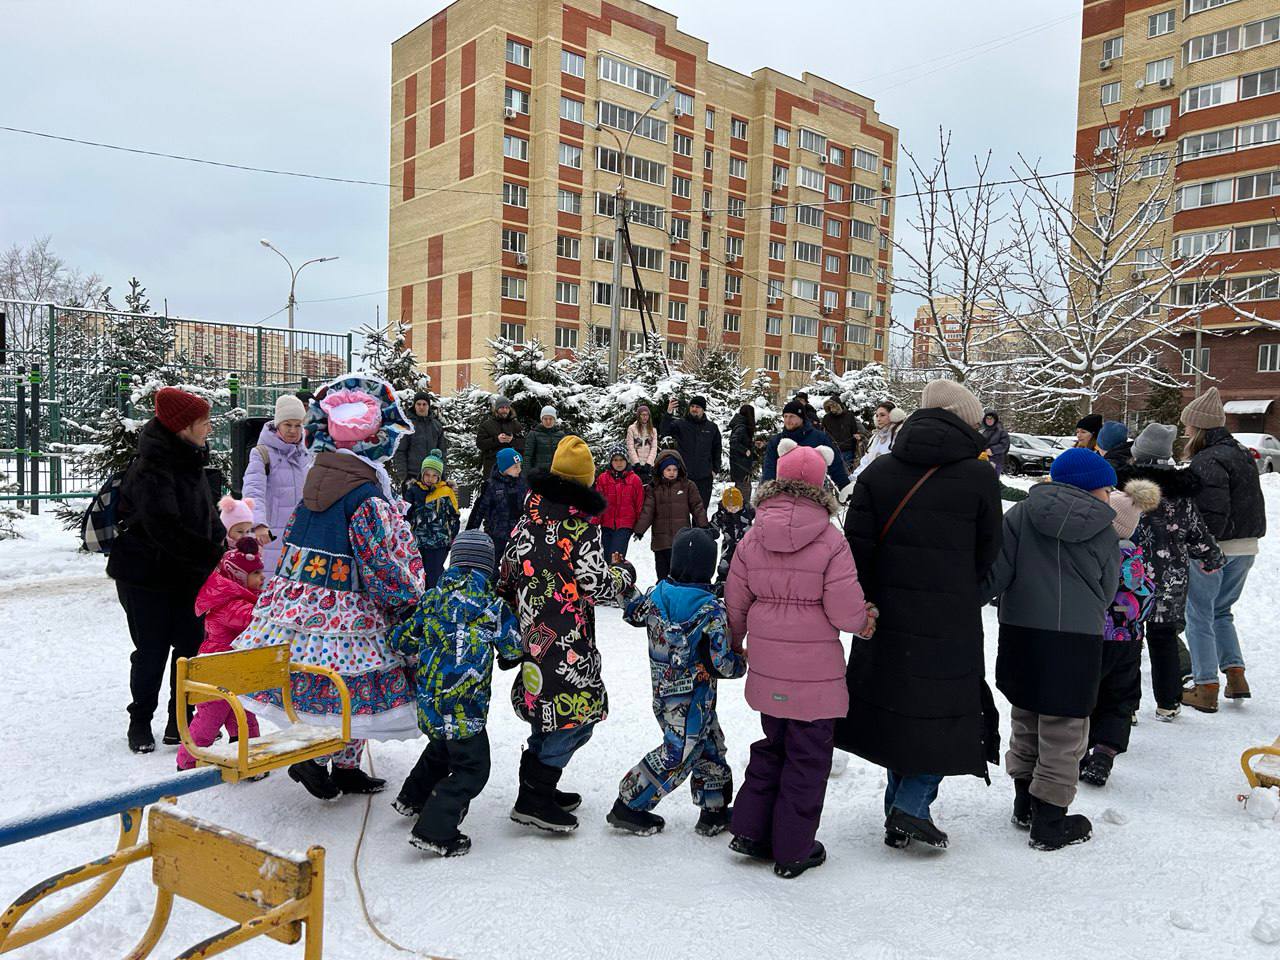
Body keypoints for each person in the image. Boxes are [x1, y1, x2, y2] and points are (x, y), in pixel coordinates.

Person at [234, 374, 424, 801]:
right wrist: (408, 600)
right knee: (347, 687)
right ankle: (313, 757)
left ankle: (345, 764)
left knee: (334, 686)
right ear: (374, 443)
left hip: (305, 608)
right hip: (348, 611)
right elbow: (381, 562)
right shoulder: (364, 497)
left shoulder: (316, 482)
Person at [838, 380, 1002, 850]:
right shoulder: (978, 477)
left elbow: (857, 549)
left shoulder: (879, 472)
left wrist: (867, 601)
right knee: (945, 710)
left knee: (898, 706)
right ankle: (910, 805)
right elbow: (989, 552)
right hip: (948, 615)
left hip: (885, 612)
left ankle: (901, 808)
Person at [725, 440, 871, 879]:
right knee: (808, 755)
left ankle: (750, 831)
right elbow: (845, 612)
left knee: (772, 744)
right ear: (820, 482)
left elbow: (735, 598)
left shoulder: (754, 534)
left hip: (769, 663)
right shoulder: (830, 538)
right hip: (815, 672)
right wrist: (866, 621)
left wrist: (735, 643)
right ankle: (793, 846)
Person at [984, 447, 1120, 851]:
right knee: (1065, 731)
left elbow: (998, 574)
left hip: (1021, 631)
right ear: (1090, 488)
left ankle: (1024, 802)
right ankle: (1050, 821)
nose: (1110, 495)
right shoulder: (1105, 528)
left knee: (1026, 716)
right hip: (1075, 639)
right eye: (1106, 488)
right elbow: (1108, 588)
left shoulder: (1020, 515)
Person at [499, 436, 636, 833]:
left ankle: (537, 784)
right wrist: (624, 574)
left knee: (546, 708)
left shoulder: (528, 518)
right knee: (576, 718)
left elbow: (506, 574)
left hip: (534, 636)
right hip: (566, 640)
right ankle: (536, 794)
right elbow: (596, 583)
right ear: (586, 481)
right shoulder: (580, 528)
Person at [388, 531, 524, 857]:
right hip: (465, 708)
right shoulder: (492, 607)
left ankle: (413, 798)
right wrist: (509, 656)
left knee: (442, 748)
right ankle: (435, 829)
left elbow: (402, 640)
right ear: (487, 569)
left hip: (431, 704)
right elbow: (513, 647)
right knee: (473, 768)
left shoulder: (431, 599)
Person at [108, 386, 226, 754]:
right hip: (146, 577)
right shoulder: (151, 467)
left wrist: (222, 539)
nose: (209, 429)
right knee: (151, 651)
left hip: (187, 575)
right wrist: (213, 555)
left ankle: (181, 723)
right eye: (204, 423)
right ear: (183, 427)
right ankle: (140, 722)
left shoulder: (190, 457)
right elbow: (166, 530)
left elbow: (206, 514)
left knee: (190, 650)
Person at [609, 527, 745, 837]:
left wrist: (623, 574)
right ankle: (628, 804)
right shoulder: (711, 611)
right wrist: (742, 661)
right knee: (678, 751)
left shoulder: (658, 596)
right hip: (694, 697)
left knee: (709, 743)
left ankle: (714, 810)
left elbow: (632, 610)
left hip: (665, 692)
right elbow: (721, 664)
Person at [1116, 423, 1223, 720]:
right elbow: (1198, 535)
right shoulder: (1182, 496)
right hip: (1170, 581)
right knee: (1164, 641)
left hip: (1130, 580)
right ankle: (1169, 702)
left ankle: (1126, 707)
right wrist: (1212, 558)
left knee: (1129, 644)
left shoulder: (1123, 490)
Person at [1180, 387, 1266, 711]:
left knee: (1198, 613)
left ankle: (1205, 687)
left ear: (1199, 428)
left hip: (1216, 549)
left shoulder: (1207, 460)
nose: (1185, 432)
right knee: (1221, 611)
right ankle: (1235, 675)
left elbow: (1212, 513)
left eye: (1188, 426)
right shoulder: (1241, 453)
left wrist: (1201, 547)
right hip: (1245, 548)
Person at [1078, 479, 1161, 788]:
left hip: (1094, 639)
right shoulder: (1138, 561)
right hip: (1128, 643)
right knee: (1119, 699)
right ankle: (1104, 754)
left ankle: (1076, 751)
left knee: (1086, 694)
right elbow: (1149, 598)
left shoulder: (1096, 554)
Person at [175, 537, 266, 772]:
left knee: (243, 716)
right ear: (238, 576)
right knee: (209, 720)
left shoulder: (241, 599)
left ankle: (246, 758)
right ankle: (187, 764)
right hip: (216, 669)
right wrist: (273, 606)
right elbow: (252, 619)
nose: (262, 577)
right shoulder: (230, 604)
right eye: (255, 573)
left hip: (234, 669)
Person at [242, 394, 310, 575]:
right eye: (288, 424)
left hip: (303, 532)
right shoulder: (262, 453)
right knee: (270, 584)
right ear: (278, 424)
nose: (293, 430)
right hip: (271, 533)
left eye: (298, 425)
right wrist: (259, 523)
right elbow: (253, 490)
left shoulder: (307, 453)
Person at [633, 449, 710, 581]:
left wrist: (703, 525)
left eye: (674, 469)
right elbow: (648, 510)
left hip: (682, 539)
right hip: (661, 541)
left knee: (681, 574)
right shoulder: (654, 488)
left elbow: (697, 506)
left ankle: (681, 596)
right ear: (661, 470)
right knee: (663, 575)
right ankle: (663, 596)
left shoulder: (688, 486)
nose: (672, 473)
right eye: (668, 469)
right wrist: (639, 530)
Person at [760, 400, 853, 497]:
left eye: (792, 416)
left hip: (812, 495)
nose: (788, 420)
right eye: (785, 416)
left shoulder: (819, 438)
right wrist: (766, 494)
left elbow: (835, 466)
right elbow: (769, 469)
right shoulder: (777, 441)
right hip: (784, 496)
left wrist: (845, 488)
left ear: (801, 418)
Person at [405, 450, 460, 588]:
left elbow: (454, 516)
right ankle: (419, 599)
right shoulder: (413, 490)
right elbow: (405, 514)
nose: (430, 478)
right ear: (422, 474)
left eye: (435, 475)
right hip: (418, 541)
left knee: (434, 573)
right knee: (418, 572)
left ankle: (434, 599)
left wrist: (452, 537)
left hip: (439, 542)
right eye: (427, 474)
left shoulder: (446, 492)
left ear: (440, 476)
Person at [661, 394, 722, 508]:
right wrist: (669, 413)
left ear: (703, 410)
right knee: (681, 512)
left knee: (700, 512)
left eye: (697, 407)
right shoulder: (681, 424)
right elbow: (664, 431)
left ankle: (699, 527)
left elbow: (717, 449)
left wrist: (715, 469)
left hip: (704, 477)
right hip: (684, 476)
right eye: (692, 406)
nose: (694, 409)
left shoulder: (711, 427)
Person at [466, 447, 527, 560]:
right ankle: (492, 578)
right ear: (504, 468)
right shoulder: (491, 485)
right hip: (496, 533)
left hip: (518, 532)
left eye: (520, 466)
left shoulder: (522, 482)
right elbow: (479, 509)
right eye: (515, 467)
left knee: (518, 561)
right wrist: (470, 530)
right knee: (492, 560)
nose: (519, 469)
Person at [594, 445, 645, 561]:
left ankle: (617, 577)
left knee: (616, 555)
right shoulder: (603, 479)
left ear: (626, 461)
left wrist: (639, 527)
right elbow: (598, 502)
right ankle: (608, 578)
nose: (619, 463)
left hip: (625, 525)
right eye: (615, 460)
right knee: (606, 556)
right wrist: (594, 522)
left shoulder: (635, 480)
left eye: (621, 459)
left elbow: (639, 504)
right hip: (607, 524)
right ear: (611, 462)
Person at [393, 390, 450, 485]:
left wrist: (442, 474)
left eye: (424, 404)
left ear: (428, 406)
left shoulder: (436, 426)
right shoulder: (407, 426)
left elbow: (442, 452)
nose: (421, 407)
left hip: (432, 477)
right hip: (412, 478)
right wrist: (404, 477)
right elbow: (400, 451)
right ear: (414, 405)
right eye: (418, 404)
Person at [711, 487, 755, 585]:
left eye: (735, 507)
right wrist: (710, 534)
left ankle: (747, 582)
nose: (732, 509)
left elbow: (759, 520)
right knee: (725, 563)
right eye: (729, 507)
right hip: (729, 545)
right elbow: (713, 527)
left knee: (747, 564)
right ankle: (721, 582)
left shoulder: (748, 512)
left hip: (746, 545)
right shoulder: (720, 515)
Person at [476, 395, 525, 478]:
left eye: (507, 408)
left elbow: (524, 444)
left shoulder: (516, 425)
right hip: (493, 467)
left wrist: (512, 440)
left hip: (513, 468)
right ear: (497, 409)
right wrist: (497, 440)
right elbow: (480, 444)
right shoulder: (486, 425)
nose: (504, 410)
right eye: (502, 408)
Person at [853, 401, 905, 480]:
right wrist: (855, 478)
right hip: (869, 483)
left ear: (894, 416)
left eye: (882, 415)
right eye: (876, 416)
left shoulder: (900, 436)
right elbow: (866, 462)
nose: (878, 419)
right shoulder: (875, 437)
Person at [821, 397, 862, 474]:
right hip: (832, 450)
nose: (832, 409)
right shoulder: (826, 418)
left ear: (839, 405)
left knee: (847, 473)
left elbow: (855, 431)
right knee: (834, 473)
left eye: (834, 406)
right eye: (830, 407)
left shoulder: (849, 416)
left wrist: (858, 438)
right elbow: (823, 432)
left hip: (847, 450)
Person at [727, 403, 758, 504]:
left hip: (740, 465)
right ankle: (742, 514)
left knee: (742, 491)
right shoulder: (742, 427)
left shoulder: (741, 426)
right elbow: (734, 442)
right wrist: (745, 451)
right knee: (743, 492)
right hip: (741, 465)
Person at [524, 405, 567, 475]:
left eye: (551, 419)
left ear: (555, 419)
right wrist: (526, 475)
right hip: (538, 474)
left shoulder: (561, 435)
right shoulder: (533, 434)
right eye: (545, 419)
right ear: (541, 419)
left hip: (556, 473)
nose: (548, 421)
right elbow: (528, 456)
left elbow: (565, 456)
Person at [626, 403, 659, 485]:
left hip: (648, 465)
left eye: (647, 415)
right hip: (635, 465)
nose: (645, 417)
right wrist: (636, 462)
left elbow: (654, 448)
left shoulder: (653, 430)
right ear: (639, 416)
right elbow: (630, 447)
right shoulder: (632, 429)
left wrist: (649, 463)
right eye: (643, 415)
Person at [980, 409, 1011, 476]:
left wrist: (992, 450)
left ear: (995, 419)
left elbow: (1004, 445)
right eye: (987, 418)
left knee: (993, 481)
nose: (989, 420)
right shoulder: (983, 431)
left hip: (996, 461)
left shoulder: (1001, 432)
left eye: (991, 418)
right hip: (983, 460)